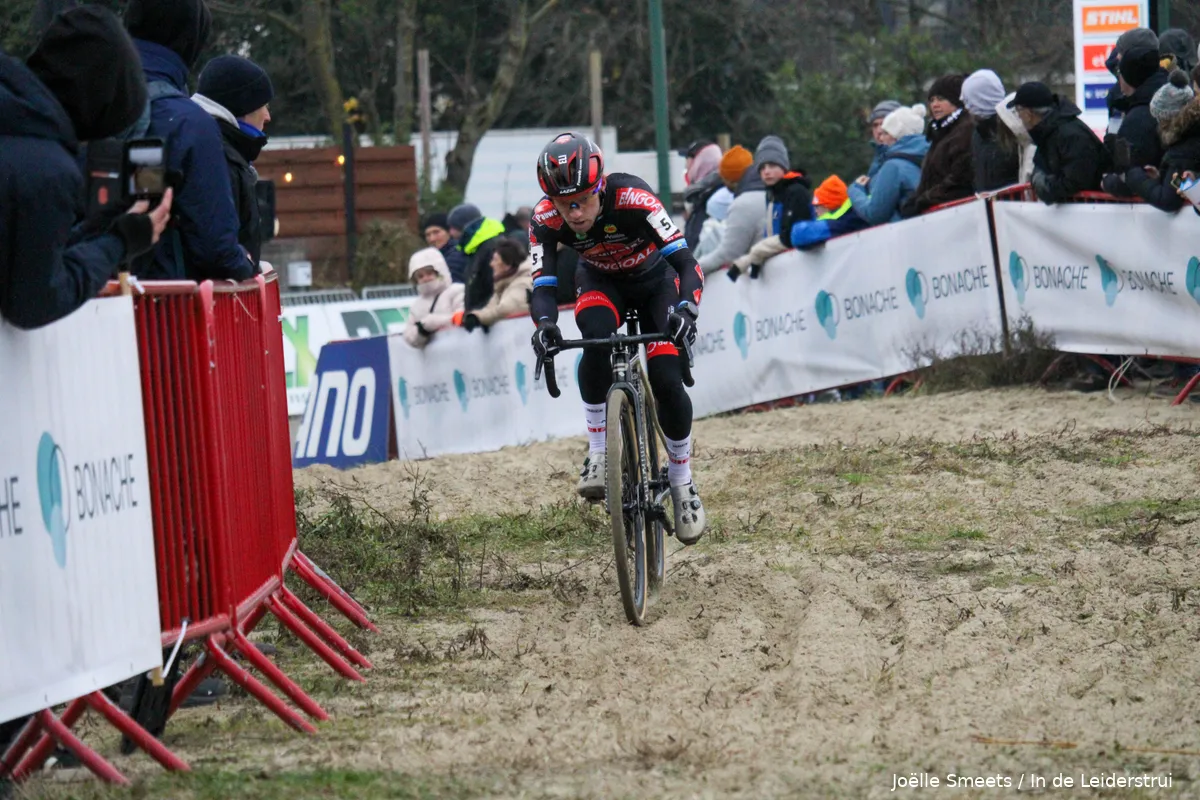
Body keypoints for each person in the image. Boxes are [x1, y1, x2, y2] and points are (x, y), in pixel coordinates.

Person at [527, 132, 706, 545]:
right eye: (562, 203)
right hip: (600, 282)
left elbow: (686, 263)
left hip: (655, 283)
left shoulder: (634, 199)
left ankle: (681, 482)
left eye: (582, 200)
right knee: (594, 339)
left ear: (600, 186)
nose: (573, 213)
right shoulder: (544, 219)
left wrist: (686, 310)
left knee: (665, 377)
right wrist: (545, 325)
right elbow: (543, 286)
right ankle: (597, 454)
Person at [0, 5, 171, 330]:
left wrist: (98, 227)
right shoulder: (48, 170)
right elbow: (36, 299)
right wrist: (120, 242)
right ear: (99, 109)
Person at [123, 0, 254, 282]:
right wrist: (245, 264)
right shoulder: (187, 122)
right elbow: (216, 247)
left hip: (72, 303)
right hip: (163, 313)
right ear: (191, 41)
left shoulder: (84, 102)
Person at [192, 55, 274, 266]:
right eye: (263, 105)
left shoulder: (217, 149)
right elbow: (219, 246)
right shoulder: (220, 158)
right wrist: (245, 269)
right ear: (243, 106)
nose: (267, 116)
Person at [728, 135, 812, 280]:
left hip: (801, 270)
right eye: (762, 168)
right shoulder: (771, 195)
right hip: (780, 272)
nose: (766, 172)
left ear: (783, 167)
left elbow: (790, 237)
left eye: (772, 166)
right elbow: (772, 236)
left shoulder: (797, 192)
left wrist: (756, 252)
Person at [1009, 82, 1109, 204]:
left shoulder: (1070, 135)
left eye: (1018, 111)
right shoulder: (1048, 133)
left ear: (1028, 114)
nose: (1019, 117)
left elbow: (1076, 180)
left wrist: (1047, 187)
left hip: (1092, 212)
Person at [1124, 70, 1200, 211]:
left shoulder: (1182, 150)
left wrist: (1135, 177)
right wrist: (1163, 178)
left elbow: (1168, 200)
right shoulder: (1184, 142)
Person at [900, 73, 975, 216]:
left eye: (941, 99)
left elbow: (959, 179)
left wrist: (924, 201)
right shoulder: (938, 133)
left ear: (956, 100)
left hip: (959, 213)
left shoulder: (965, 131)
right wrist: (915, 199)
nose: (935, 104)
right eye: (932, 100)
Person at [848, 104, 930, 225]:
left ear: (896, 136)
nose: (881, 138)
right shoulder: (930, 154)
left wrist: (855, 191)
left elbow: (875, 214)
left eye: (885, 133)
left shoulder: (893, 167)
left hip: (905, 237)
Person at [696, 144, 765, 275]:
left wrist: (693, 271)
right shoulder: (770, 192)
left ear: (730, 180)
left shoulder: (743, 205)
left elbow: (728, 253)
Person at [455, 237, 532, 331]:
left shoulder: (522, 283)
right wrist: (473, 316)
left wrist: (479, 318)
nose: (491, 264)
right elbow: (490, 308)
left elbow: (505, 309)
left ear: (508, 264)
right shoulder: (503, 285)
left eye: (495, 260)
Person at [962, 69, 1018, 191]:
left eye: (969, 101)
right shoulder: (978, 133)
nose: (966, 108)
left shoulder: (1014, 129)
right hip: (986, 205)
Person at [402, 247, 464, 349]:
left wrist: (434, 322)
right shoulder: (416, 306)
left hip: (459, 352)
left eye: (429, 273)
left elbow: (462, 317)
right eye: (420, 276)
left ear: (440, 272)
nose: (425, 278)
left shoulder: (457, 291)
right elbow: (409, 336)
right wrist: (423, 330)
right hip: (434, 362)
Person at [787, 175, 868, 249]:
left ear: (829, 206)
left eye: (817, 206)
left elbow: (799, 234)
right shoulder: (855, 214)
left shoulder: (845, 222)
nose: (815, 211)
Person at [421, 212, 468, 283]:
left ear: (449, 232)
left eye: (436, 232)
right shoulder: (436, 257)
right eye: (428, 235)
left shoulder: (455, 256)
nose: (432, 239)